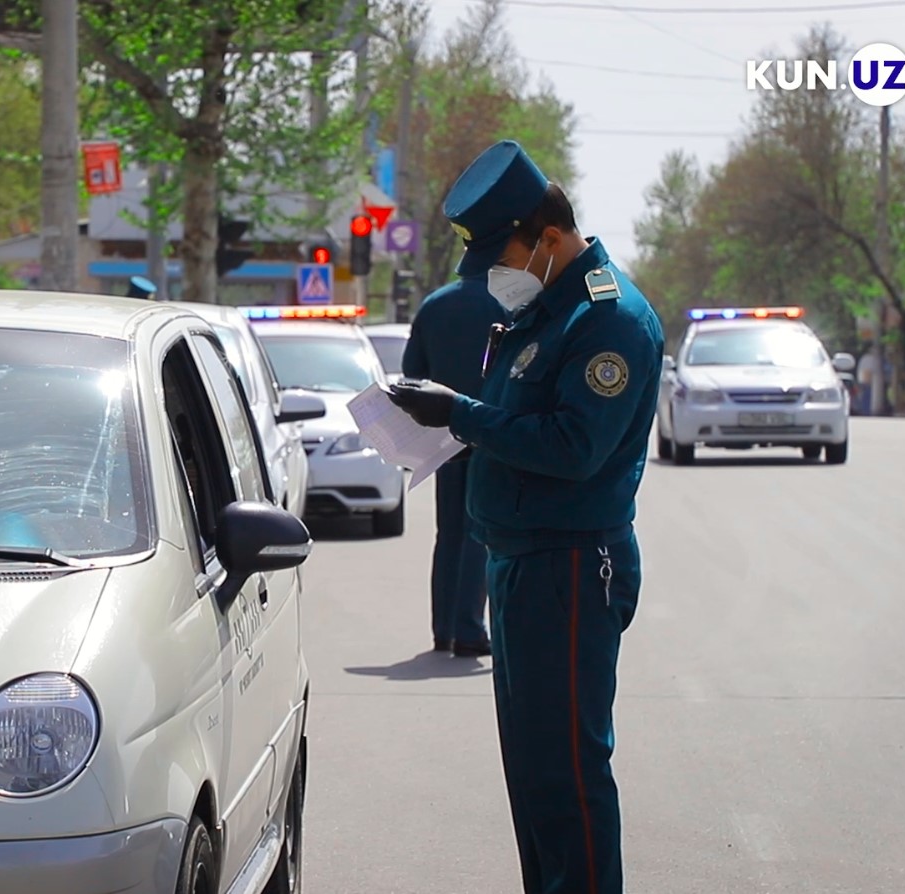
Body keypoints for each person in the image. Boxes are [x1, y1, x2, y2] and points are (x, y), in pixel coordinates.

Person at [388, 140, 664, 894]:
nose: (493, 278)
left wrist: (462, 414)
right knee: (533, 776)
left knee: (567, 773)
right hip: (520, 561)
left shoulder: (605, 319)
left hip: (569, 568)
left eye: (500, 256)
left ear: (546, 237)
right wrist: (440, 419)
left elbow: (575, 446)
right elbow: (515, 420)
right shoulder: (543, 307)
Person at [400, 219, 506, 657]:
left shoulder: (433, 305)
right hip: (492, 432)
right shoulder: (511, 306)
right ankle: (468, 630)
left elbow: (412, 371)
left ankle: (443, 628)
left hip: (442, 435)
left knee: (449, 534)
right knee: (481, 533)